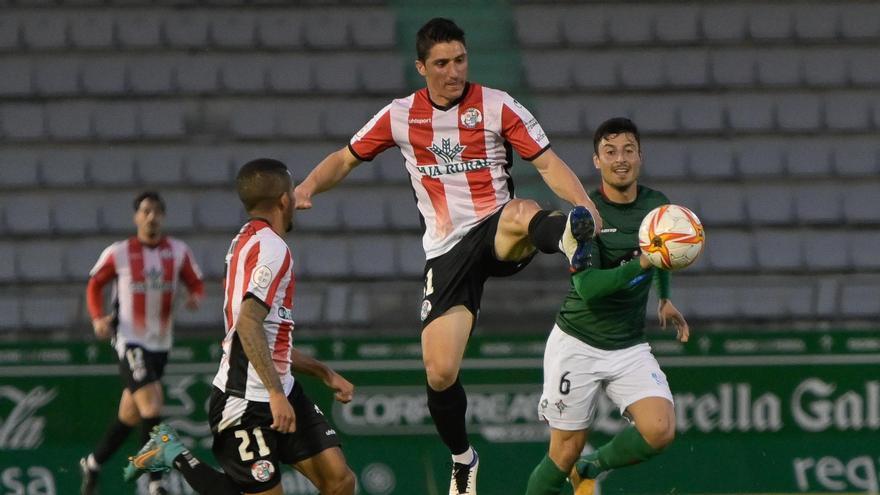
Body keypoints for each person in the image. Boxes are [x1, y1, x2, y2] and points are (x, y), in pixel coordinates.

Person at [294, 17, 601, 495]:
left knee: (523, 211)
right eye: (441, 63)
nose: (453, 71)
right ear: (421, 67)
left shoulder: (498, 106)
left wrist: (586, 204)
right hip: (445, 252)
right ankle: (463, 459)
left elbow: (547, 163)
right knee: (439, 373)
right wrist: (308, 186)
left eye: (460, 60)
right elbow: (345, 157)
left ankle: (568, 235)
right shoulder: (400, 115)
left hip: (499, 229)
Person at [124, 159, 357, 495]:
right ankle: (172, 452)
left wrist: (322, 372)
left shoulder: (245, 240)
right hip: (244, 401)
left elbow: (267, 336)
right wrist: (275, 394)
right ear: (283, 200)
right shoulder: (273, 249)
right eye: (292, 193)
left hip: (281, 388)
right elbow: (247, 325)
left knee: (340, 481)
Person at [524, 118, 691, 495]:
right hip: (578, 342)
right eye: (610, 152)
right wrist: (643, 264)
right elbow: (589, 288)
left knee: (660, 429)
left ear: (640, 157)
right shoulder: (585, 217)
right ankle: (574, 465)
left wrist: (663, 297)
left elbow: (664, 253)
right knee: (563, 452)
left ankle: (590, 468)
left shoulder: (657, 206)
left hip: (628, 345)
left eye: (628, 150)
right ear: (597, 161)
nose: (621, 159)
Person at [80, 191, 205, 495]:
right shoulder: (120, 252)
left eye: (157, 211)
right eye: (146, 211)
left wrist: (194, 297)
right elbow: (95, 283)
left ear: (163, 216)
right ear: (136, 216)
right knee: (152, 403)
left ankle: (93, 463)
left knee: (130, 414)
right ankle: (155, 482)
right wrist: (98, 318)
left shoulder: (178, 251)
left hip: (160, 343)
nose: (152, 216)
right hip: (129, 339)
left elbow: (196, 282)